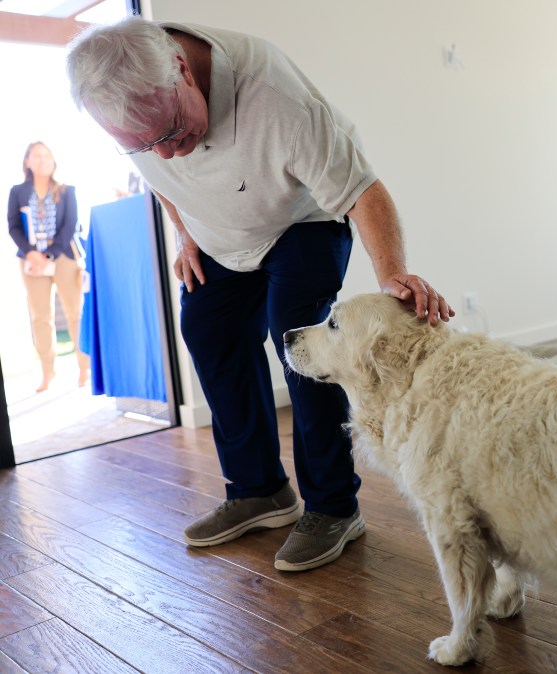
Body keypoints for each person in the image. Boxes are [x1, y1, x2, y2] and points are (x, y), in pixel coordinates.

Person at [66, 17, 454, 572]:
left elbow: (361, 191)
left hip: (303, 219)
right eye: (147, 145)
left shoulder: (274, 97)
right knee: (205, 325)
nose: (169, 152)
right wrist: (186, 235)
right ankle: (259, 492)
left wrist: (393, 272)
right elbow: (163, 179)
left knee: (298, 337)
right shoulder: (138, 113)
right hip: (224, 237)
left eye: (173, 132)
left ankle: (333, 507)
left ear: (181, 69)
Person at [7, 141, 91, 393]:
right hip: (31, 262)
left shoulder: (67, 190)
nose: (43, 160)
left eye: (47, 156)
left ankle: (84, 367)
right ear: (27, 162)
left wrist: (50, 255)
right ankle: (48, 372)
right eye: (37, 156)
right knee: (40, 317)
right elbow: (13, 225)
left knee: (75, 313)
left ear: (53, 161)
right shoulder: (17, 191)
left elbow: (69, 225)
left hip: (63, 256)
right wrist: (33, 254)